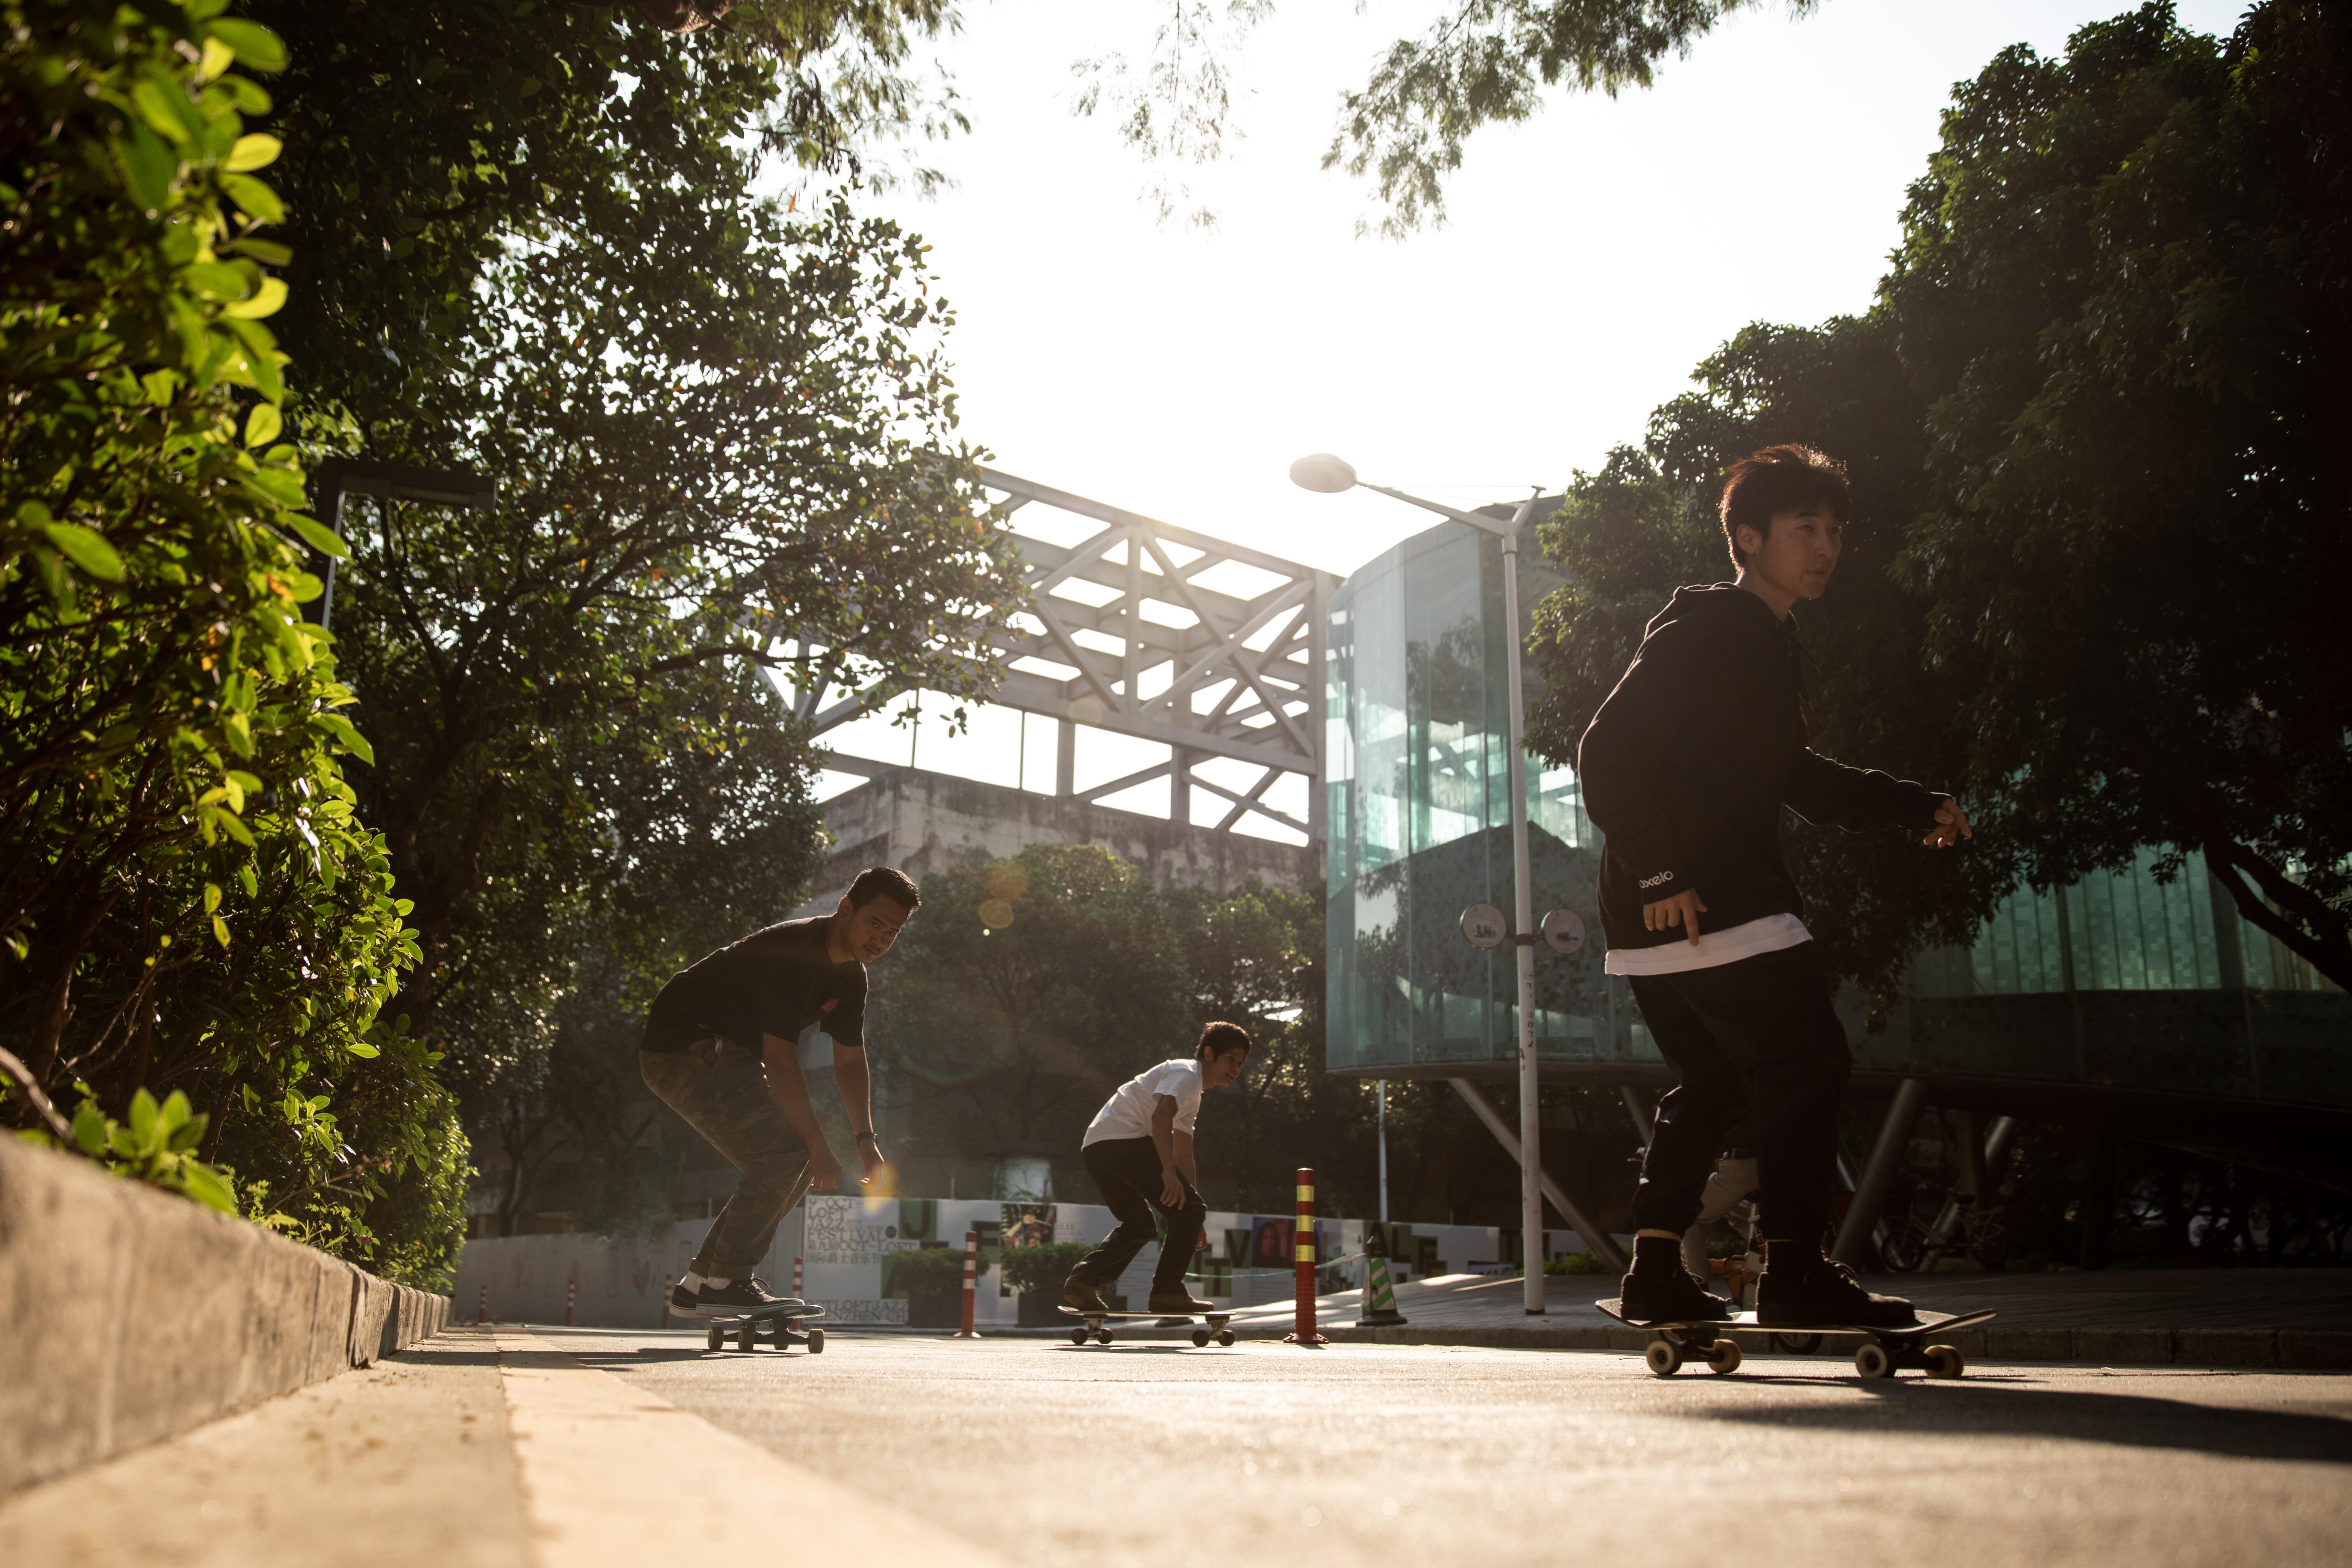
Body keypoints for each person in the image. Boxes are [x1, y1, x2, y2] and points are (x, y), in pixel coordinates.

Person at [1577, 444, 1972, 1329]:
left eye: (1833, 529)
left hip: (1663, 895)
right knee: (1806, 1059)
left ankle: (1652, 1269)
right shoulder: (1715, 625)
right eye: (1803, 528)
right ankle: (1793, 1268)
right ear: (1748, 537)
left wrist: (1909, 804)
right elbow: (1604, 750)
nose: (1823, 545)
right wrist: (1662, 869)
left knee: (1711, 1081)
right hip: (1698, 890)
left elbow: (1790, 774)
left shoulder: (1764, 640)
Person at [638, 866, 917, 1317]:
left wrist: (866, 1141)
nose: (881, 939)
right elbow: (782, 1062)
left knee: (790, 1160)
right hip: (686, 1044)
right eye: (874, 923)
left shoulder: (851, 977)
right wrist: (819, 1145)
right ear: (846, 910)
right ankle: (726, 1280)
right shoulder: (797, 951)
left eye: (893, 932)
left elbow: (849, 1060)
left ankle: (700, 1283)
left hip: (727, 1054)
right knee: (788, 1154)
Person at [1061, 1022, 1253, 1316]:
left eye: (1241, 1063)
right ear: (1209, 1053)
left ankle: (1083, 1282)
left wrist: (1191, 1217)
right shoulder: (1187, 1074)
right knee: (1186, 1210)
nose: (1236, 1068)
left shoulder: (1193, 1092)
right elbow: (1161, 1116)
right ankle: (1167, 1292)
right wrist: (1170, 1176)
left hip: (1097, 1146)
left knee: (1141, 1224)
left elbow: (1184, 1153)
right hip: (1121, 1140)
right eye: (1231, 1059)